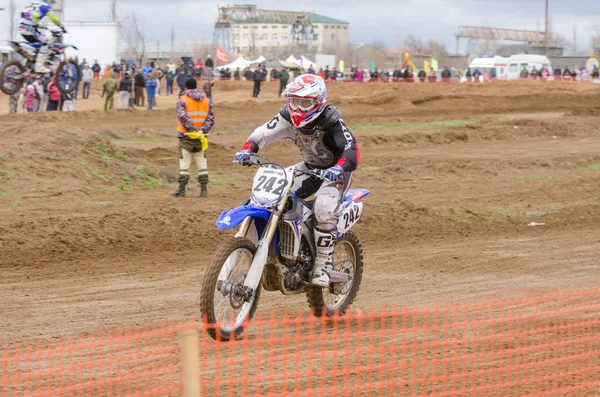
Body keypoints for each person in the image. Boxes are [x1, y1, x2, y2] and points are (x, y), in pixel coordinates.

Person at [236, 74, 358, 287]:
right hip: (309, 168)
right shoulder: (286, 117)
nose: (299, 109)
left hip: (336, 172)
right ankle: (283, 247)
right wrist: (248, 149)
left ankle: (323, 263)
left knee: (323, 207)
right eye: (295, 102)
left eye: (306, 103)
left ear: (318, 101)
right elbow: (262, 133)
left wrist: (338, 168)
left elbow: (351, 150)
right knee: (271, 196)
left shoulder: (331, 121)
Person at [171, 78, 214, 198]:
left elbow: (183, 117)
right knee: (202, 164)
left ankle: (182, 190)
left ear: (186, 87)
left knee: (184, 164)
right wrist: (202, 131)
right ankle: (204, 190)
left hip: (186, 137)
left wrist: (193, 130)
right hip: (201, 138)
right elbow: (211, 118)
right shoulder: (206, 100)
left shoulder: (183, 100)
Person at [18, 0, 66, 74]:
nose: (52, 4)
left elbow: (26, 14)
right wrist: (61, 26)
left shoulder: (33, 3)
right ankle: (39, 66)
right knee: (46, 42)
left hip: (21, 27)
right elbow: (53, 18)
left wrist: (37, 25)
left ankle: (25, 65)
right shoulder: (46, 6)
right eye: (52, 2)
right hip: (30, 28)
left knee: (36, 45)